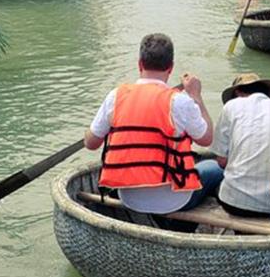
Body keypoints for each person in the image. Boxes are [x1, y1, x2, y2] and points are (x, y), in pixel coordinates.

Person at [83, 33, 222, 215]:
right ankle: (180, 224)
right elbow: (206, 139)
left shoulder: (115, 96)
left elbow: (90, 143)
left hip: (128, 198)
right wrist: (196, 96)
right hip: (175, 201)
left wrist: (96, 128)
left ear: (140, 64)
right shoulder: (180, 101)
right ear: (170, 68)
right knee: (215, 167)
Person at [210, 73, 270, 217]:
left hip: (234, 204)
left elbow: (222, 161)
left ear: (237, 92)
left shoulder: (232, 106)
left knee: (211, 172)